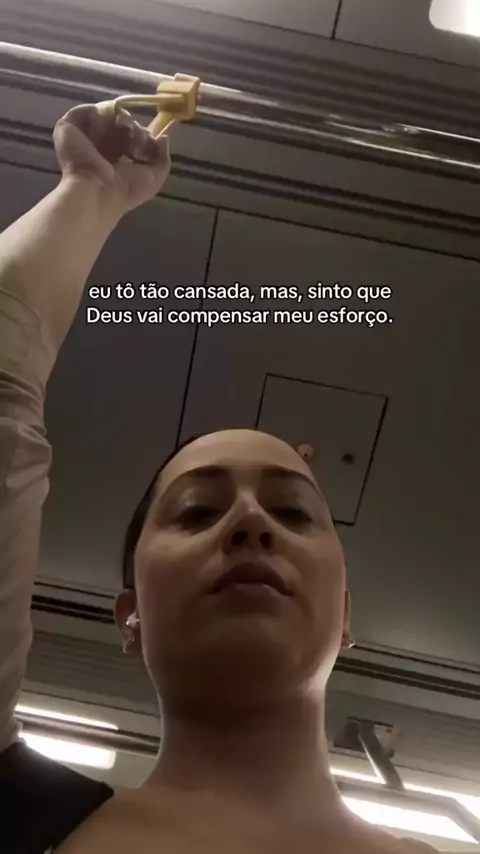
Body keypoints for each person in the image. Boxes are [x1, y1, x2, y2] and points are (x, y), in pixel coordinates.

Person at [0, 102, 439, 853]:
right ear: (130, 616)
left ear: (344, 613)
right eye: (198, 511)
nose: (251, 523)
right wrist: (91, 190)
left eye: (294, 513)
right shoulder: (20, 821)